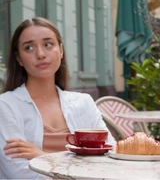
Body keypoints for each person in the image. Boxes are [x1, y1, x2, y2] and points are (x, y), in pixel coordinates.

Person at [0, 17, 116, 179]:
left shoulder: (83, 103)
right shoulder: (6, 106)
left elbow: (111, 159)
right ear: (19, 58)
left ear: (61, 50)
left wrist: (42, 157)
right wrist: (79, 169)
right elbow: (20, 174)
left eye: (48, 44)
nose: (40, 54)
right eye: (29, 48)